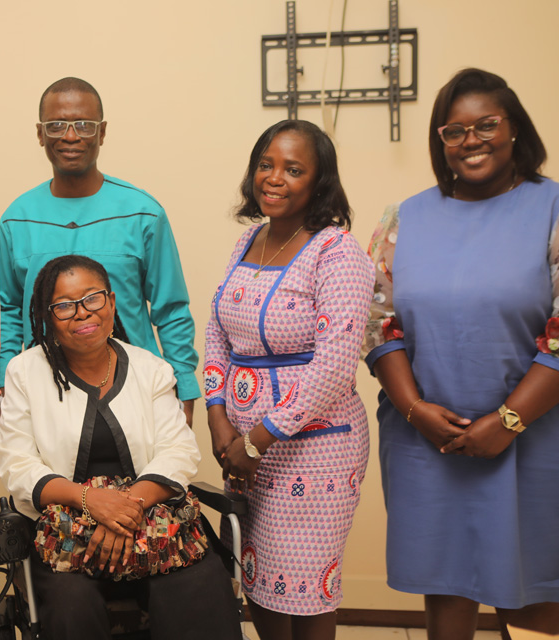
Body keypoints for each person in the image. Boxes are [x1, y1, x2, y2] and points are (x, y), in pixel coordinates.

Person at [364, 68, 559, 639]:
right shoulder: (404, 217)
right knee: (446, 588)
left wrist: (509, 419)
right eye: (455, 131)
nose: (471, 140)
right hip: (428, 438)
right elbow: (379, 326)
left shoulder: (552, 207)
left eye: (487, 125)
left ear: (515, 129)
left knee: (536, 594)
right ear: (440, 142)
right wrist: (414, 409)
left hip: (535, 435)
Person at [0, 254, 243, 640]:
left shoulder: (151, 369)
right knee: (70, 607)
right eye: (64, 306)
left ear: (111, 302)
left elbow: (179, 450)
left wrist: (127, 507)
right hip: (66, 532)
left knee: (199, 589)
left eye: (92, 299)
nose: (81, 313)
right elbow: (17, 462)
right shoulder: (25, 372)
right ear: (47, 315)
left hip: (154, 520)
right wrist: (89, 500)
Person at [204, 120, 374, 639]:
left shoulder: (336, 252)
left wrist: (257, 440)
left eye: (294, 169)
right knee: (260, 583)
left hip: (313, 451)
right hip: (245, 450)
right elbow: (217, 332)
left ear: (319, 182)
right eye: (266, 164)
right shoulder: (247, 240)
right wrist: (218, 418)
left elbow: (336, 365)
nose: (274, 178)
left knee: (304, 588)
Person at [0, 77, 200, 425]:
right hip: (45, 394)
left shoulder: (143, 213)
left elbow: (171, 309)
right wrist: (5, 381)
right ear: (40, 134)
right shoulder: (17, 219)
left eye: (85, 126)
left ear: (102, 132)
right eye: (56, 125)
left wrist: (185, 385)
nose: (71, 136)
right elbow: (6, 310)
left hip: (135, 391)